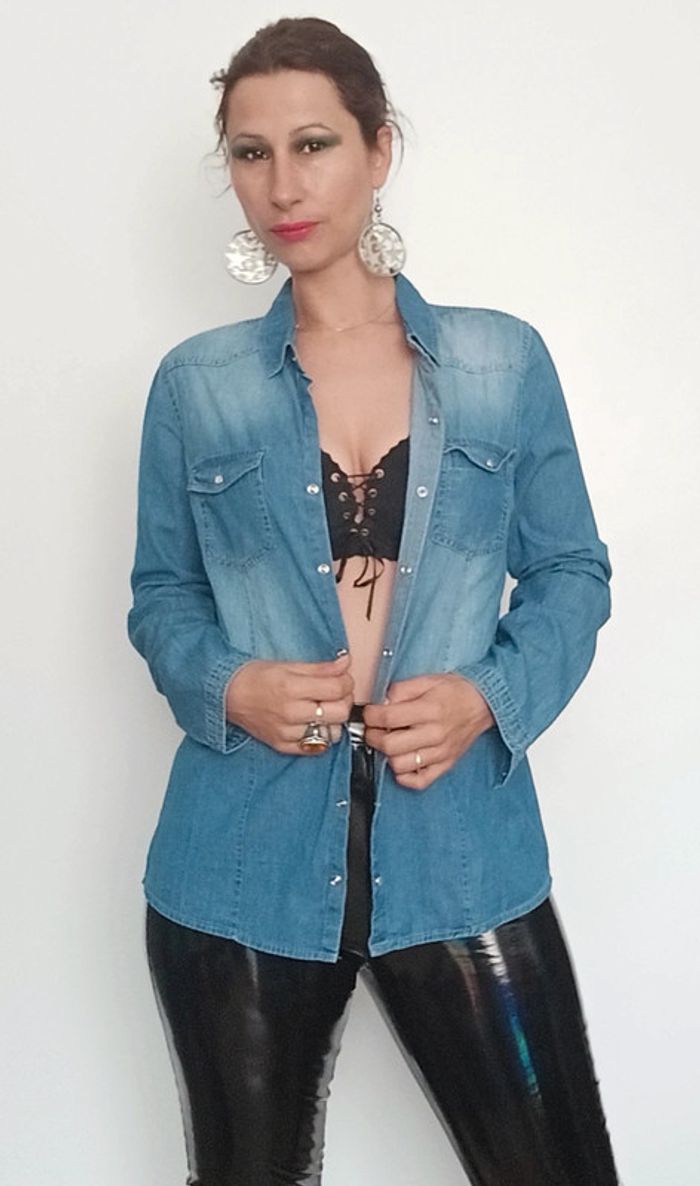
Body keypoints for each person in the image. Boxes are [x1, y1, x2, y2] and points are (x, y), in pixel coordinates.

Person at [127, 16, 621, 1186]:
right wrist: (226, 683)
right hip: (237, 860)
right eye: (250, 154)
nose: (282, 186)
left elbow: (571, 572)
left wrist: (487, 696)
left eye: (313, 144)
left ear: (377, 148)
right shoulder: (195, 386)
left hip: (460, 850)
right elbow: (161, 593)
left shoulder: (502, 362)